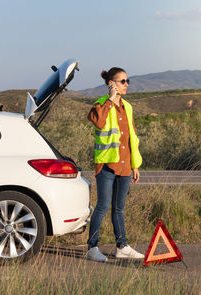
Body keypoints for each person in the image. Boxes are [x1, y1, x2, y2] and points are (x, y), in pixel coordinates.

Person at [86, 67, 144, 262]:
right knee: (102, 206)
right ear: (111, 84)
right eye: (122, 81)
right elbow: (99, 122)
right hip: (106, 165)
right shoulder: (100, 104)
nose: (126, 84)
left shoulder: (128, 107)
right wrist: (110, 100)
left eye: (128, 81)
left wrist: (135, 165)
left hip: (125, 166)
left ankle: (122, 246)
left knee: (119, 208)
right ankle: (92, 248)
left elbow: (132, 138)